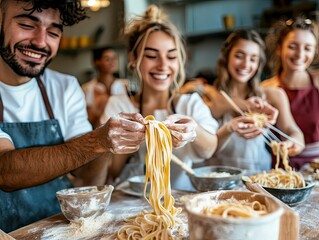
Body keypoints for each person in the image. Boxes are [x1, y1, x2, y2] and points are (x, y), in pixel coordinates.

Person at [0, 0, 146, 232]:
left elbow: (88, 178)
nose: (41, 41)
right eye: (27, 25)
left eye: (53, 32)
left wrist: (108, 140)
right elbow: (5, 171)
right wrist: (97, 141)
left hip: (56, 228)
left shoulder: (65, 87)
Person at [100, 4, 219, 191]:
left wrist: (193, 129)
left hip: (180, 198)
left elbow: (210, 148)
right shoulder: (118, 105)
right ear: (133, 58)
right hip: (128, 199)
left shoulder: (189, 103)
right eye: (151, 56)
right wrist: (131, 137)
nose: (163, 66)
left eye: (171, 57)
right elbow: (113, 170)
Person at [204, 29, 304, 171]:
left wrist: (295, 142)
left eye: (253, 59)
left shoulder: (273, 95)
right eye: (239, 56)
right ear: (226, 57)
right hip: (218, 177)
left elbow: (293, 131)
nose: (245, 64)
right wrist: (246, 105)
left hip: (257, 177)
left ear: (259, 64)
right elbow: (216, 107)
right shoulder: (211, 96)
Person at [261, 16, 319, 170]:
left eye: (307, 48)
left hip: (316, 165)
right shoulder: (266, 88)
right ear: (279, 48)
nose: (300, 54)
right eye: (293, 46)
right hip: (281, 166)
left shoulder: (318, 81)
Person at [82, 46, 129, 128]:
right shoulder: (87, 88)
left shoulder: (125, 85)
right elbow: (86, 121)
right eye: (107, 59)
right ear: (97, 62)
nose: (112, 62)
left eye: (114, 58)